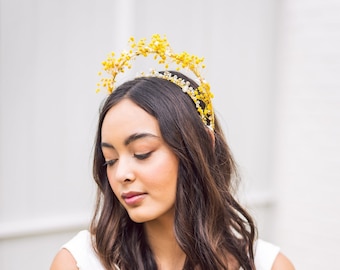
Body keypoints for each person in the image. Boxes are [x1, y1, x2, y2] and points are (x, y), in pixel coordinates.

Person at [50, 34, 294, 270]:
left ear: (203, 146)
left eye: (142, 152)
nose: (120, 174)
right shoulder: (79, 262)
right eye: (110, 160)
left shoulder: (268, 265)